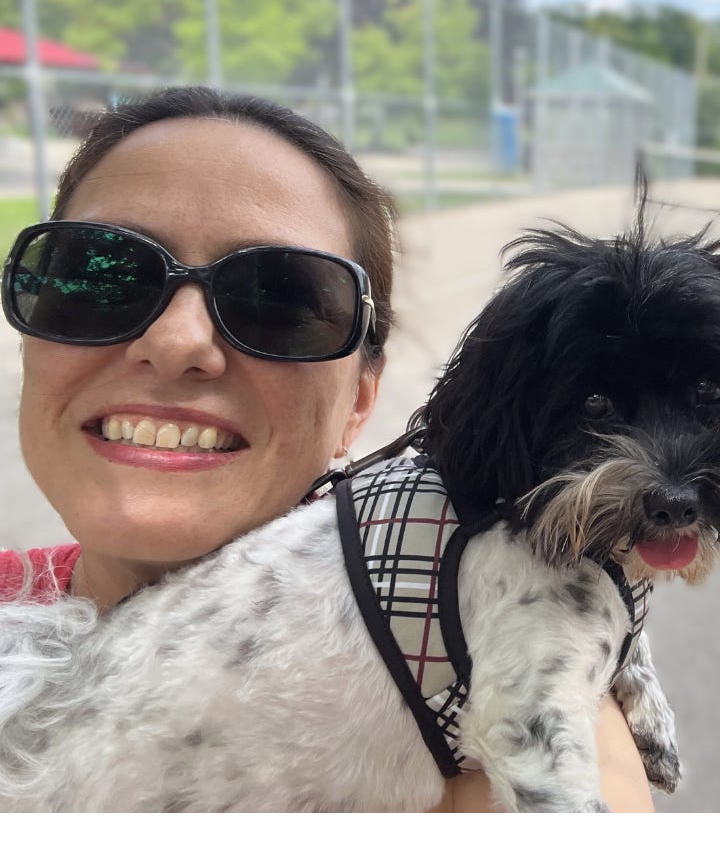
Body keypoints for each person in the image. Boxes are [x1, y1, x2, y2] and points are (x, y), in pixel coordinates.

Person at [0, 86, 653, 813]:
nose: (175, 343)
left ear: (361, 400)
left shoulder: (513, 685)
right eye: (99, 274)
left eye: (280, 300)